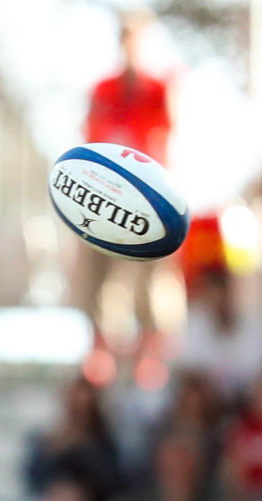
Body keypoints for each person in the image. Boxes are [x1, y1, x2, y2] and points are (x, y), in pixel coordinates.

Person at [76, 9, 172, 354]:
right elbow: (92, 140)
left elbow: (164, 140)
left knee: (149, 279)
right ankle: (101, 347)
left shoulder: (160, 89)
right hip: (107, 197)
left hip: (147, 200)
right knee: (96, 275)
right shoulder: (104, 89)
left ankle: (151, 349)